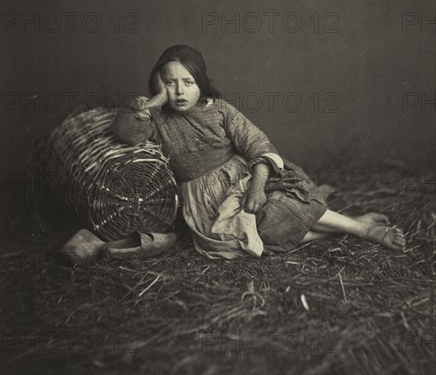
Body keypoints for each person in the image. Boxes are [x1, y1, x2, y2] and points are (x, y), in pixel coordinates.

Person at [112, 45, 406, 260]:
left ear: (200, 83)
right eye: (170, 82)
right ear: (158, 82)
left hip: (244, 178)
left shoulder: (220, 111)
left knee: (282, 205)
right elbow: (123, 133)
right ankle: (355, 227)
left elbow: (258, 144)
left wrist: (256, 187)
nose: (179, 91)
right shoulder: (155, 119)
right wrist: (155, 100)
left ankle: (361, 229)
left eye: (188, 82)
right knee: (254, 232)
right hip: (204, 200)